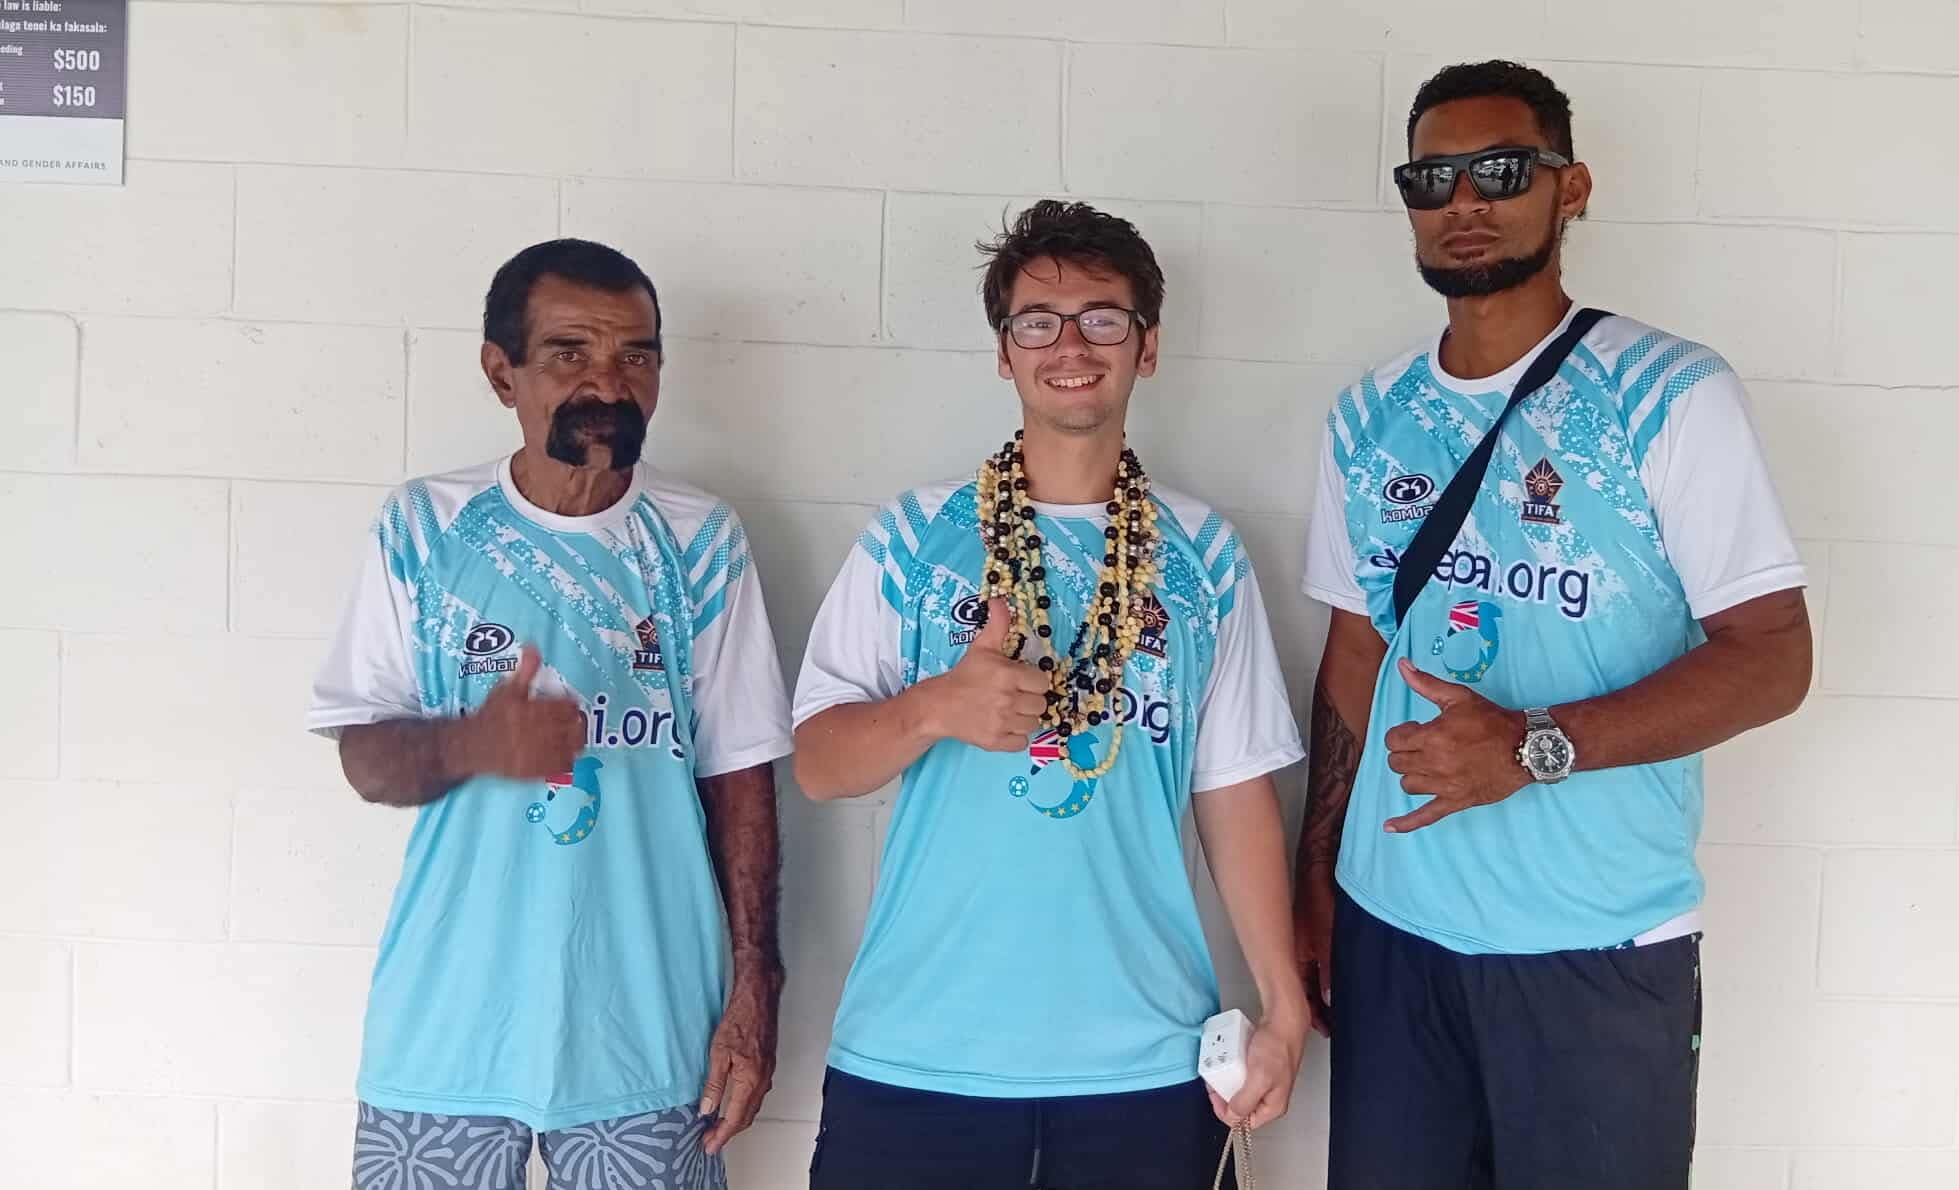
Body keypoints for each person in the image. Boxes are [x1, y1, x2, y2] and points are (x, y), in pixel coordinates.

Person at [1294, 62, 1812, 1190]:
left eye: (1499, 171)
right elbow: (1355, 652)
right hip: (1393, 930)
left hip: (1594, 944)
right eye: (1431, 178)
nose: (1462, 201)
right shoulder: (1368, 414)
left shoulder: (1667, 394)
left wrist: (1533, 746)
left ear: (1569, 188)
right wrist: (1319, 876)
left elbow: (1773, 658)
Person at [790, 200, 1308, 1190]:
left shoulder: (1202, 552)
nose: (1070, 345)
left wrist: (1282, 1009)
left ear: (1146, 346)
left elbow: (1233, 789)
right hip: (918, 1056)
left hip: (1144, 1064)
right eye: (1038, 322)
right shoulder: (913, 537)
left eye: (1101, 318)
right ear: (1004, 352)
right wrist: (935, 707)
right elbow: (818, 763)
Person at [308, 238, 792, 1190]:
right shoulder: (424, 527)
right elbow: (364, 758)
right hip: (447, 1029)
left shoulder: (701, 538)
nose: (608, 381)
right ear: (504, 373)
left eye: (637, 354)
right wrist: (472, 742)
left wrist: (755, 990)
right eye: (570, 352)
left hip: (651, 1025)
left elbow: (741, 776)